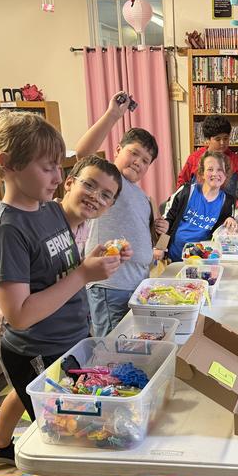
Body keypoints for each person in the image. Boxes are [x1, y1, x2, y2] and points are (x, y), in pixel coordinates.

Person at [0, 111, 127, 476]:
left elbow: (58, 268)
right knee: (57, 437)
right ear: (8, 163)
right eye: (47, 168)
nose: (55, 175)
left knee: (78, 426)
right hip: (37, 347)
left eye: (58, 167)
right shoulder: (7, 228)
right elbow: (20, 314)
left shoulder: (46, 210)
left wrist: (90, 261)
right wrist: (83, 275)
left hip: (66, 340)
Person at [76, 92, 163, 337]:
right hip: (111, 286)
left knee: (127, 347)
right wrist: (113, 114)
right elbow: (83, 154)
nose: (138, 162)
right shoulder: (112, 181)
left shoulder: (144, 197)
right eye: (134, 153)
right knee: (111, 348)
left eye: (146, 160)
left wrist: (157, 231)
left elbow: (147, 240)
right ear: (117, 149)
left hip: (136, 286)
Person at [164, 151, 238, 262]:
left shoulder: (228, 201)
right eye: (210, 169)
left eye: (220, 170)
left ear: (226, 174)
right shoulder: (186, 191)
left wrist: (231, 219)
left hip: (202, 260)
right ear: (202, 173)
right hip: (173, 259)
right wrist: (160, 247)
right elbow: (167, 221)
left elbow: (226, 227)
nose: (215, 174)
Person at [177, 114, 238, 196]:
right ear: (208, 140)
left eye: (225, 138)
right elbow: (182, 181)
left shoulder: (234, 159)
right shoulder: (194, 158)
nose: (222, 143)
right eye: (217, 139)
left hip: (225, 208)